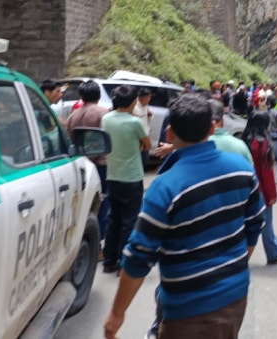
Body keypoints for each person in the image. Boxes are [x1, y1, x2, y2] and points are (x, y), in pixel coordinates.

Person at [103, 93, 265, 339]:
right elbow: (255, 223)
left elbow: (138, 257)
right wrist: (232, 265)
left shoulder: (165, 187)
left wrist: (117, 314)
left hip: (187, 312)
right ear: (212, 128)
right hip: (235, 298)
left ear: (169, 133)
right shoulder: (242, 170)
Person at [101, 85, 151, 274]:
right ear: (132, 102)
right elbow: (147, 145)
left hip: (112, 175)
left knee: (113, 219)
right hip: (132, 176)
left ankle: (108, 260)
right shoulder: (134, 122)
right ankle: (124, 262)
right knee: (129, 221)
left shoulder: (105, 118)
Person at [243, 112, 277, 265]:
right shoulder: (263, 144)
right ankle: (274, 251)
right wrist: (272, 194)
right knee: (266, 223)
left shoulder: (245, 141)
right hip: (261, 192)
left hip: (244, 189)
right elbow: (267, 173)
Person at [66, 81, 111, 242]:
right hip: (101, 166)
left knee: (84, 205)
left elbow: (69, 138)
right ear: (99, 96)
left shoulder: (73, 116)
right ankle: (97, 240)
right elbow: (106, 140)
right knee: (102, 203)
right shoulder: (103, 113)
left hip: (81, 165)